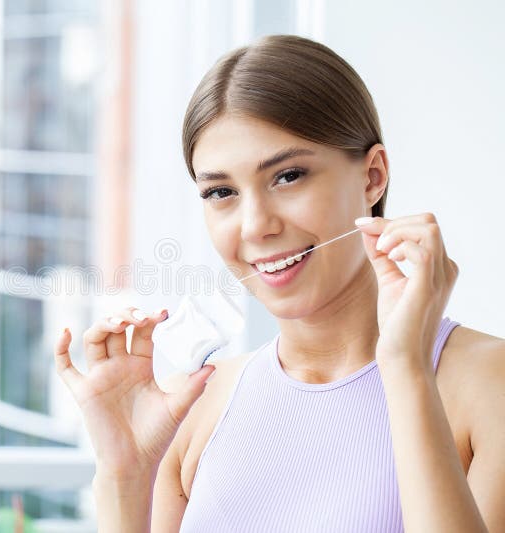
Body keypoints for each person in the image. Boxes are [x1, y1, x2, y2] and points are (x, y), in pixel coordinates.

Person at [53, 34, 504, 532]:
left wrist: (404, 367)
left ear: (372, 178)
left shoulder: (489, 385)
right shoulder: (195, 405)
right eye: (221, 192)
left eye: (288, 176)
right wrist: (124, 479)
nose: (254, 226)